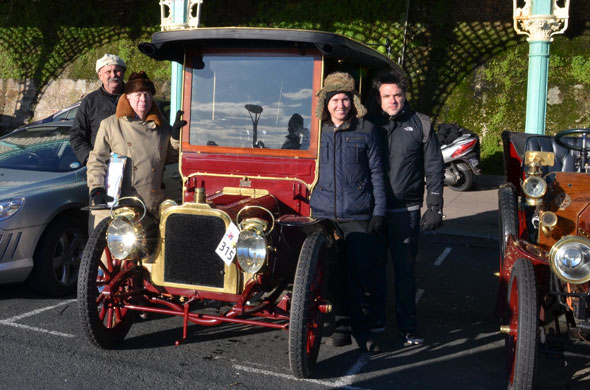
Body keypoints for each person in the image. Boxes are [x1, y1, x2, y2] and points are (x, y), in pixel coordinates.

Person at [309, 71, 386, 352]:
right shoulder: (315, 134)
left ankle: (362, 332)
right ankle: (338, 328)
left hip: (357, 215)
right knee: (329, 276)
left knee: (360, 276)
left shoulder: (366, 130)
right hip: (323, 216)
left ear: (352, 102)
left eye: (345, 99)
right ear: (326, 104)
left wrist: (379, 211)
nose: (340, 105)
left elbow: (377, 172)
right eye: (335, 100)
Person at [368, 69, 445, 346]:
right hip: (373, 211)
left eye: (397, 95)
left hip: (406, 211)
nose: (392, 100)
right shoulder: (368, 124)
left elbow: (435, 167)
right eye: (386, 96)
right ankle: (376, 320)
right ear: (378, 98)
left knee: (405, 272)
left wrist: (435, 206)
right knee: (374, 269)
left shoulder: (422, 124)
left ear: (405, 95)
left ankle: (408, 326)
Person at [87, 71, 186, 227]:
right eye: (138, 94)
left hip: (149, 206)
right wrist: (96, 188)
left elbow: (170, 158)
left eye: (147, 94)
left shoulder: (162, 128)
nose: (143, 99)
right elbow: (97, 160)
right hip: (117, 205)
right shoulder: (111, 125)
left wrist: (175, 138)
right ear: (128, 97)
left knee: (147, 250)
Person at [70, 53, 127, 165]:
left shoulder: (136, 98)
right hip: (101, 167)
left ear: (123, 73)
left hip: (133, 166)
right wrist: (89, 158)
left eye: (117, 71)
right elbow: (77, 135)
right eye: (108, 72)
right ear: (100, 76)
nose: (113, 75)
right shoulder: (90, 102)